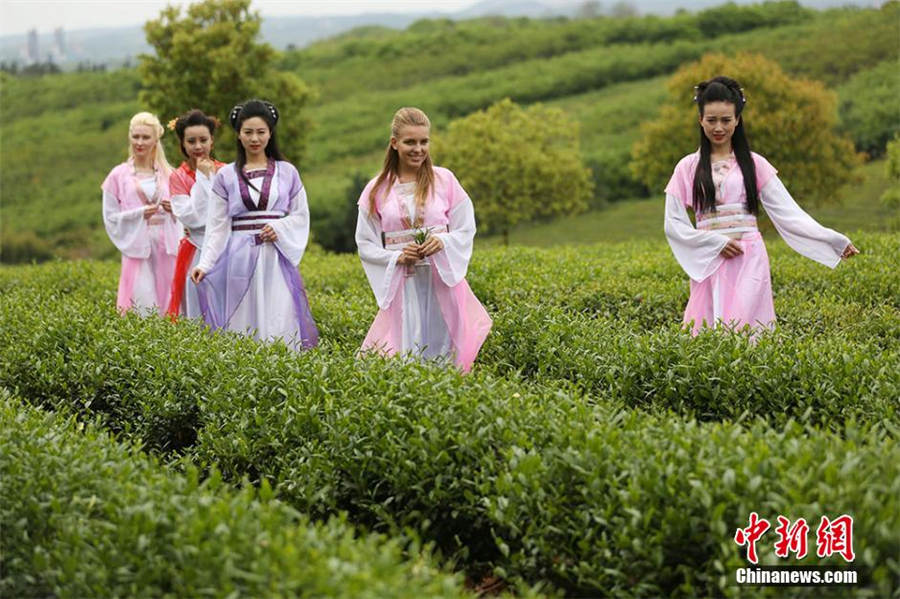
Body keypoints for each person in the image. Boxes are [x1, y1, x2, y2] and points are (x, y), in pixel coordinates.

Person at [663, 76, 859, 335]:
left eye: (726, 120)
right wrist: (714, 243)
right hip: (709, 260)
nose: (718, 127)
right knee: (709, 331)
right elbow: (673, 223)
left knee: (747, 331)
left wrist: (834, 240)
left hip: (748, 259)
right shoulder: (687, 167)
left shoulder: (754, 164)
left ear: (737, 120)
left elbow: (789, 213)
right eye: (711, 120)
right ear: (700, 120)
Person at [355, 107, 492, 372]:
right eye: (410, 142)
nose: (418, 149)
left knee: (445, 355)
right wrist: (396, 256)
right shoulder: (375, 190)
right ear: (394, 143)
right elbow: (365, 243)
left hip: (441, 281)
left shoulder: (445, 180)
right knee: (406, 354)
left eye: (423, 141)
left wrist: (443, 242)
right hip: (404, 285)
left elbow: (465, 228)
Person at [191, 100, 318, 350]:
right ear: (238, 135)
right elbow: (217, 227)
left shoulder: (288, 172)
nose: (254, 138)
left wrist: (280, 228)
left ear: (270, 133)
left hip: (275, 257)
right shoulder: (226, 176)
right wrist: (204, 264)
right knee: (243, 320)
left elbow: (301, 215)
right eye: (248, 132)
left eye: (261, 132)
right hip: (239, 258)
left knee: (279, 315)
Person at [102, 111, 179, 316]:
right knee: (141, 300)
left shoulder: (168, 174)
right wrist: (139, 214)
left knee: (169, 299)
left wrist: (173, 210)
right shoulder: (117, 175)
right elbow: (110, 216)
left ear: (155, 140)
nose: (140, 142)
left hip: (166, 244)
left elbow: (185, 210)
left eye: (145, 137)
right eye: (136, 136)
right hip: (137, 244)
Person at [165, 109, 225, 319]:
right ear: (182, 144)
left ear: (212, 141)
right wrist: (203, 176)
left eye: (203, 140)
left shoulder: (226, 171)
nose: (198, 146)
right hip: (194, 251)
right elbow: (191, 217)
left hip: (226, 247)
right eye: (191, 141)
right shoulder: (178, 178)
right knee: (196, 308)